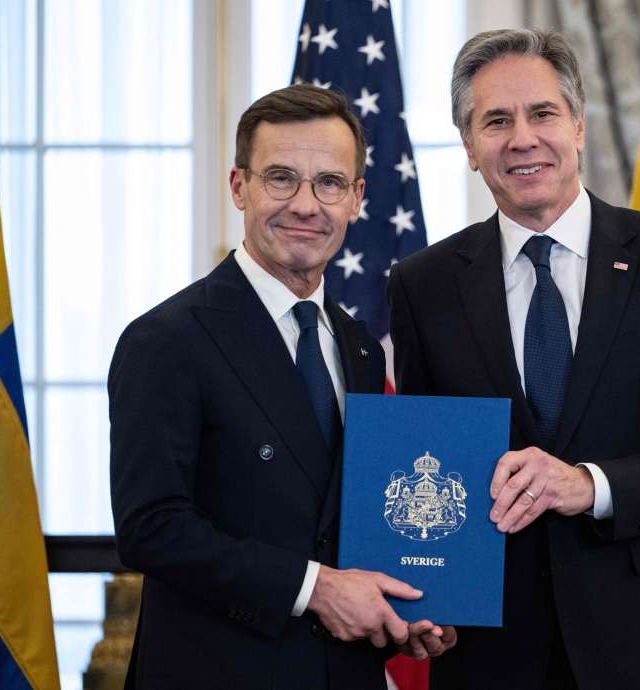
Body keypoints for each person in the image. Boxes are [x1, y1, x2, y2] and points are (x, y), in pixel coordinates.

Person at [387, 29, 640, 690]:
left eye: (542, 113)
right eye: (495, 121)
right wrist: (428, 598)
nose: (522, 138)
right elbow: (427, 458)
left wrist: (590, 485)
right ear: (471, 148)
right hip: (492, 653)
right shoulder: (422, 285)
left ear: (579, 126)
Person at [109, 84, 454, 690]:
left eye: (329, 182)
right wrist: (317, 589)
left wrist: (404, 609)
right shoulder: (166, 340)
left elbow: (357, 521)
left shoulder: (363, 349)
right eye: (281, 178)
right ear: (239, 186)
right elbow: (152, 528)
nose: (305, 204)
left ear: (356, 200)